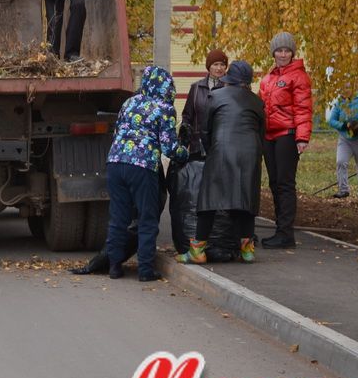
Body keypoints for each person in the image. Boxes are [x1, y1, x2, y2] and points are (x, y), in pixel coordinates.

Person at [103, 65, 187, 281]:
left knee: (118, 218)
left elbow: (117, 131)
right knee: (147, 218)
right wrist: (185, 153)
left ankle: (114, 267)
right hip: (141, 167)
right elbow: (169, 148)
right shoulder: (164, 108)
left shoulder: (129, 102)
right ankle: (145, 271)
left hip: (114, 163)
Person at [177, 60, 264, 264]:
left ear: (229, 79)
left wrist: (211, 149)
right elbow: (261, 131)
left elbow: (206, 129)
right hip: (250, 153)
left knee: (210, 200)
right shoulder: (257, 101)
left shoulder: (214, 96)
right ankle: (247, 250)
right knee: (245, 199)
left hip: (222, 150)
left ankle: (197, 250)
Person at [169, 49, 228, 250]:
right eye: (216, 65)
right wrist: (183, 137)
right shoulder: (196, 88)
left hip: (218, 145)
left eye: (222, 65)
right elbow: (187, 115)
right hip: (196, 145)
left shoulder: (229, 87)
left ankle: (215, 232)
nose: (219, 68)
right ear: (208, 67)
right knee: (196, 184)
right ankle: (198, 228)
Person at [258, 32, 312, 249]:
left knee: (285, 184)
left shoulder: (298, 77)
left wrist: (302, 137)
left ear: (292, 53)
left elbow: (303, 109)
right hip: (268, 136)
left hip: (287, 135)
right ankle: (280, 229)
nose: (282, 54)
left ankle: (286, 234)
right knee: (274, 183)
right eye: (279, 50)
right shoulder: (269, 78)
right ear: (273, 53)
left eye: (286, 50)